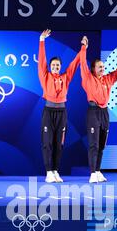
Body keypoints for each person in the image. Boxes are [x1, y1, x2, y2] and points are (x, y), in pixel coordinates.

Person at [80, 36, 117, 183]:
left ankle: (97, 171)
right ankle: (92, 173)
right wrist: (84, 47)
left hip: (104, 113)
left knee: (102, 145)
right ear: (93, 69)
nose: (103, 69)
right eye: (100, 67)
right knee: (93, 144)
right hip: (93, 112)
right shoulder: (88, 78)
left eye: (103, 67)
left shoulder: (109, 79)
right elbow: (82, 63)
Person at [38, 29, 81, 183]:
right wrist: (42, 41)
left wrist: (83, 49)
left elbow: (75, 64)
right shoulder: (45, 76)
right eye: (53, 65)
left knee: (59, 143)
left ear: (61, 67)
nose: (56, 67)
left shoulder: (65, 77)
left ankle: (55, 170)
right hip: (49, 112)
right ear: (50, 66)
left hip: (62, 112)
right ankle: (49, 171)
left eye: (58, 65)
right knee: (47, 142)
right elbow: (42, 60)